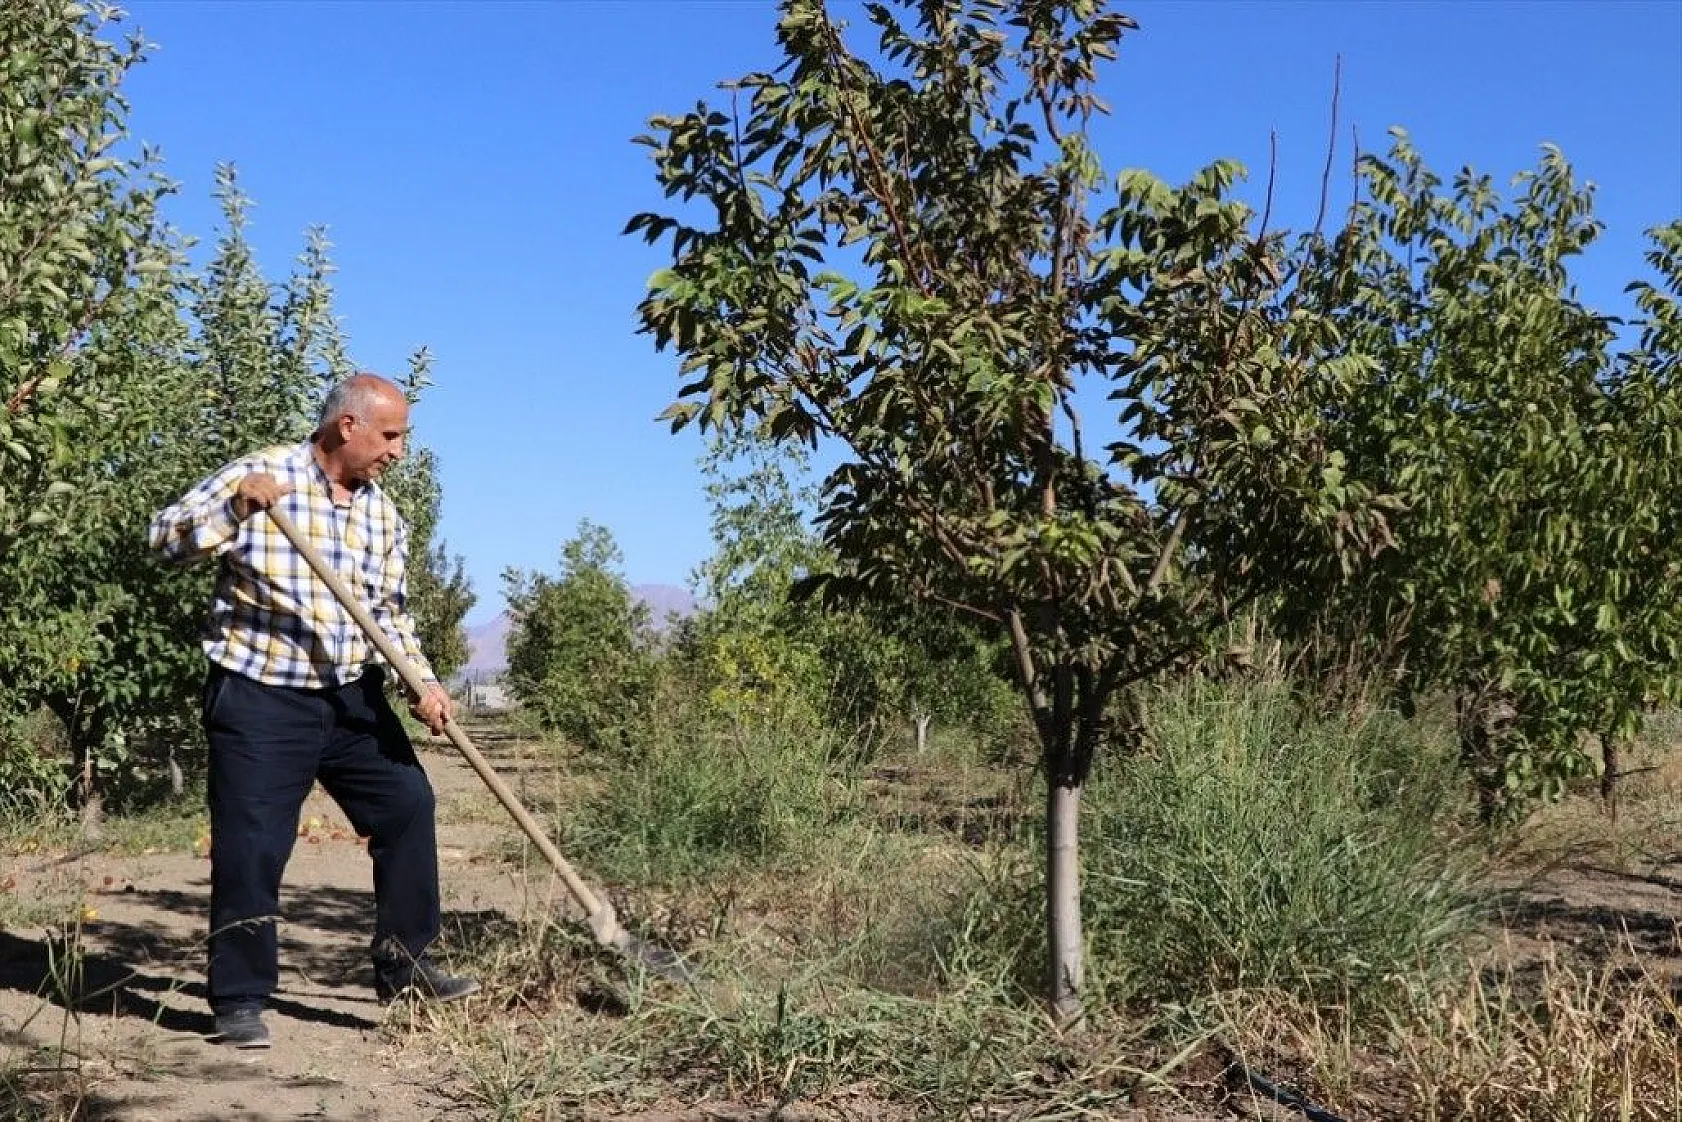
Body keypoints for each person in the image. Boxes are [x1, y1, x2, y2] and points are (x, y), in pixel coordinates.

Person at [148, 373, 478, 1049]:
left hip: (350, 694)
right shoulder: (263, 473)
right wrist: (235, 511)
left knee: (408, 804)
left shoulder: (382, 514)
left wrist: (424, 682)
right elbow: (163, 540)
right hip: (262, 694)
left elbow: (389, 615)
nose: (399, 452)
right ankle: (239, 999)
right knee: (254, 842)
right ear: (347, 427)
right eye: (391, 436)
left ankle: (406, 965)